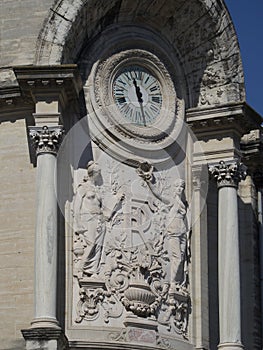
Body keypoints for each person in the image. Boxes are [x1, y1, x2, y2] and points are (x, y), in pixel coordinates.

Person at [137, 162, 188, 290]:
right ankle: (173, 283)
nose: (180, 190)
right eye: (178, 187)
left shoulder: (183, 203)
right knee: (177, 257)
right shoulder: (172, 201)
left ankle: (178, 282)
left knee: (181, 258)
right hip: (174, 231)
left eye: (182, 188)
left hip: (182, 231)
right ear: (174, 189)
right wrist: (149, 180)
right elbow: (158, 194)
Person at [73, 161, 124, 277]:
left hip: (99, 218)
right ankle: (80, 268)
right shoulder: (83, 187)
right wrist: (78, 222)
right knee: (91, 243)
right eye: (99, 172)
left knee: (99, 246)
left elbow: (104, 209)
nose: (100, 175)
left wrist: (116, 199)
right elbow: (77, 205)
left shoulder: (96, 189)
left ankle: (93, 271)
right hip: (88, 218)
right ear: (94, 173)